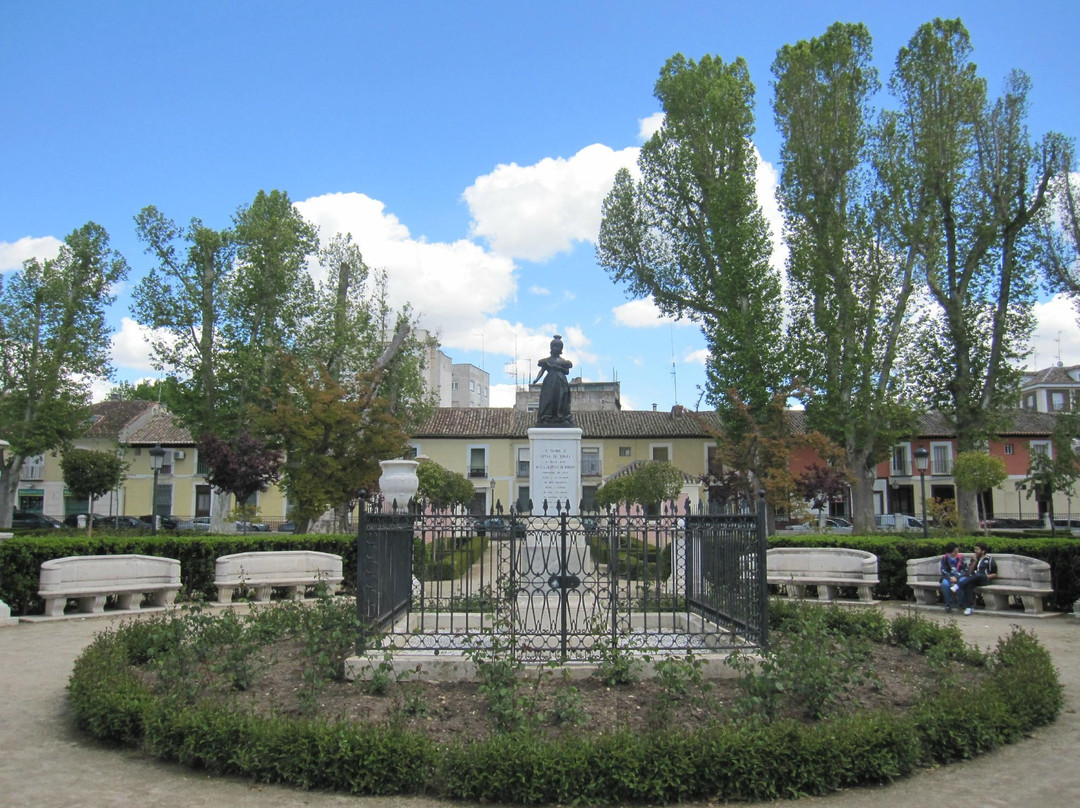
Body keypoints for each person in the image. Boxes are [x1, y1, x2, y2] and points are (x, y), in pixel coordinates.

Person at [533, 334, 574, 427]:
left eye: (558, 347)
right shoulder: (546, 361)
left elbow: (566, 372)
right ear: (551, 348)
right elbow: (542, 371)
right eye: (554, 346)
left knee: (561, 399)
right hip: (549, 382)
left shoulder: (564, 362)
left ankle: (561, 417)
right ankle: (546, 417)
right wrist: (536, 379)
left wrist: (557, 367)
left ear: (561, 349)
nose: (556, 348)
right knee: (548, 399)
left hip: (561, 382)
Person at [959, 541, 998, 615]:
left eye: (977, 550)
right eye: (975, 549)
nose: (975, 551)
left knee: (978, 575)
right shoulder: (974, 559)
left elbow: (994, 574)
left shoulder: (989, 560)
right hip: (974, 579)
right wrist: (974, 562)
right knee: (969, 584)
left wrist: (985, 576)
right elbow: (969, 572)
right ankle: (969, 607)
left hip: (985, 580)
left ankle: (959, 585)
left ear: (983, 551)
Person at [939, 542, 965, 613]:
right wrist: (950, 578)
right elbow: (943, 570)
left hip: (959, 576)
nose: (957, 553)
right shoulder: (944, 559)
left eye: (957, 551)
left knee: (962, 582)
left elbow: (964, 570)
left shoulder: (961, 557)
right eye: (955, 551)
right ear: (950, 552)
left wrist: (956, 577)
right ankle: (948, 604)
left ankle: (961, 604)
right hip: (948, 577)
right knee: (945, 584)